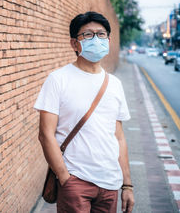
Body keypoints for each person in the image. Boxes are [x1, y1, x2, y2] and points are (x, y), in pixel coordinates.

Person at [34, 11, 135, 212]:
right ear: (74, 44)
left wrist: (127, 184)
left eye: (101, 34)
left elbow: (119, 137)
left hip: (110, 183)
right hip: (76, 181)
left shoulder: (114, 84)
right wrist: (65, 177)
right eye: (88, 35)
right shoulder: (58, 79)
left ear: (108, 40)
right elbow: (46, 134)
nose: (96, 39)